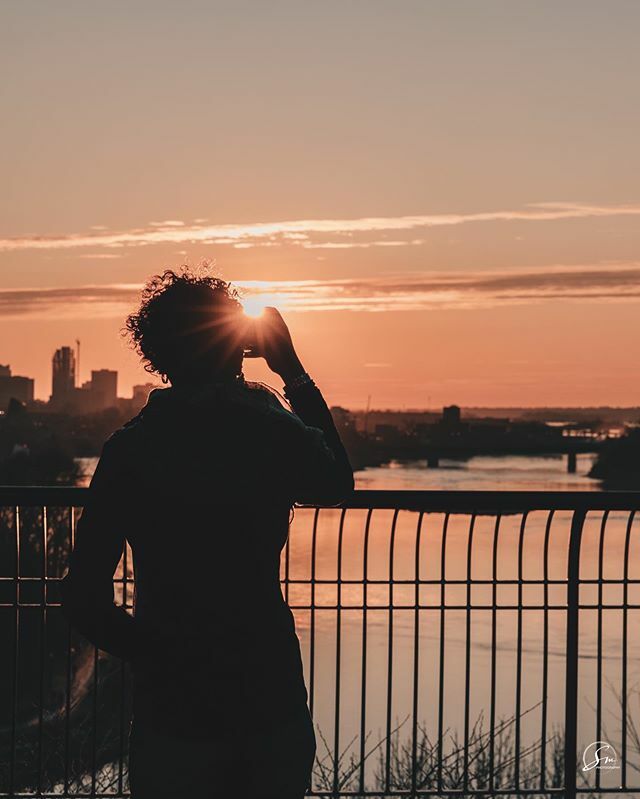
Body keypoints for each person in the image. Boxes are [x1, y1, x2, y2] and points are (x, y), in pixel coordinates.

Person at [60, 269, 354, 798]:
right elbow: (335, 482)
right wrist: (292, 369)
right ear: (237, 348)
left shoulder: (133, 449)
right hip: (267, 689)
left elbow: (83, 595)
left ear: (159, 355)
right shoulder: (270, 433)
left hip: (174, 707)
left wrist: (155, 652)